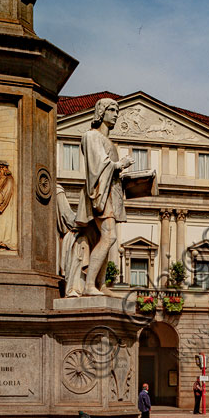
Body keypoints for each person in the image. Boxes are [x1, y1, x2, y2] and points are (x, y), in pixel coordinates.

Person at [75, 98, 135, 295]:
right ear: (101, 112)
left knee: (109, 238)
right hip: (99, 194)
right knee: (109, 236)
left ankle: (100, 284)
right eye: (111, 110)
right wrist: (120, 164)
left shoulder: (107, 140)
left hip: (110, 191)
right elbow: (98, 166)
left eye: (117, 110)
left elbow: (108, 168)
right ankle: (89, 285)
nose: (116, 114)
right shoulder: (91, 136)